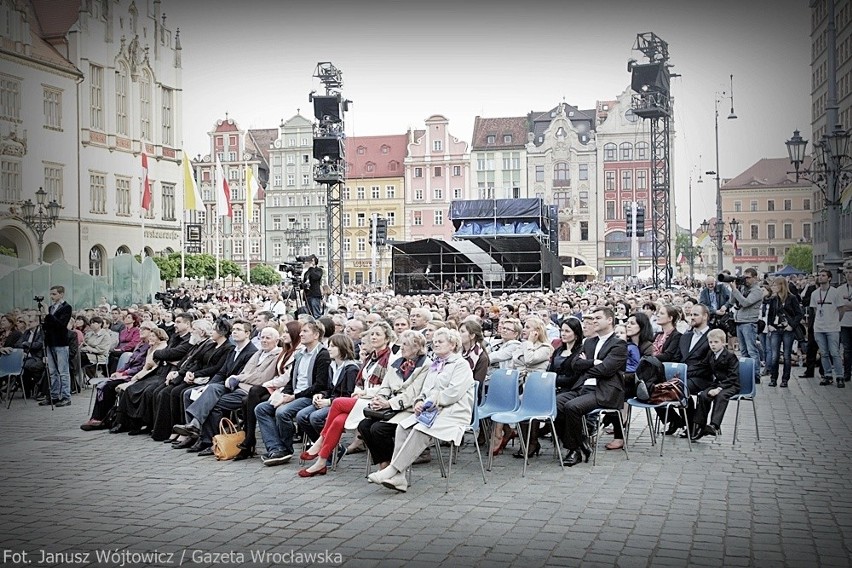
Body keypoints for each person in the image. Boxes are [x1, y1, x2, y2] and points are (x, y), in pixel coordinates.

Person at [367, 328, 475, 493]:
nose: (436, 344)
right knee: (402, 427)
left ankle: (392, 470)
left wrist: (428, 402)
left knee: (419, 429)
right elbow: (425, 389)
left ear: (453, 345)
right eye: (435, 341)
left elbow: (452, 394)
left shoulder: (461, 365)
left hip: (453, 414)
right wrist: (419, 401)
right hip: (431, 412)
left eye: (440, 341)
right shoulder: (436, 363)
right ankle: (400, 478)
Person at [172, 320, 259, 454]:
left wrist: (212, 386)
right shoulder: (234, 350)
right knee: (189, 393)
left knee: (212, 400)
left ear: (247, 333)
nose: (234, 332)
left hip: (239, 388)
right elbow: (221, 372)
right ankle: (195, 434)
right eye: (234, 329)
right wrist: (207, 386)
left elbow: (241, 377)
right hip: (224, 385)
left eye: (238, 329)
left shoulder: (251, 352)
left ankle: (205, 437)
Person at [558, 307, 627, 467]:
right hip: (582, 387)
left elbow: (606, 369)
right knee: (555, 404)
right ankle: (581, 441)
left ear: (609, 320)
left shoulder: (619, 344)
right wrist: (594, 362)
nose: (593, 321)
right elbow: (575, 364)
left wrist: (587, 366)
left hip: (604, 391)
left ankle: (574, 450)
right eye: (593, 318)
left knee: (572, 407)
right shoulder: (589, 342)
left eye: (597, 318)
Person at [354, 330, 431, 473]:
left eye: (405, 344)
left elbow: (413, 393)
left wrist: (389, 403)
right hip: (389, 408)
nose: (401, 347)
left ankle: (392, 467)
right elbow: (385, 386)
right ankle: (385, 463)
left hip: (408, 409)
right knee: (364, 426)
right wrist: (380, 398)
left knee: (378, 429)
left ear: (417, 347)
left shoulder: (426, 365)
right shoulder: (397, 363)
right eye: (401, 343)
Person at [256, 321, 330, 465]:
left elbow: (319, 385)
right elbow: (292, 381)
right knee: (261, 409)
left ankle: (286, 449)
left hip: (309, 396)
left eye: (305, 331)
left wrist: (293, 397)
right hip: (294, 394)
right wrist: (284, 395)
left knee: (282, 412)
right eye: (301, 331)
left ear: (316, 335)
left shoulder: (322, 354)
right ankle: (276, 447)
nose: (301, 334)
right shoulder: (300, 354)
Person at [80, 323, 161, 431]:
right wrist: (120, 371)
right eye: (140, 328)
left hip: (137, 375)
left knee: (109, 386)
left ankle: (101, 419)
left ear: (152, 332)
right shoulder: (140, 344)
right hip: (128, 372)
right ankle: (97, 418)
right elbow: (130, 361)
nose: (140, 330)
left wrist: (125, 373)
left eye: (144, 329)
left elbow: (143, 367)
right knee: (103, 385)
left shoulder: (151, 347)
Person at [295, 333, 360, 457]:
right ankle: (328, 446)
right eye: (329, 345)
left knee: (315, 417)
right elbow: (329, 389)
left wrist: (329, 401)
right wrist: (320, 395)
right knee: (301, 416)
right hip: (329, 401)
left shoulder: (351, 369)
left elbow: (349, 395)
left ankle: (328, 449)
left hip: (340, 405)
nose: (328, 348)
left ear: (342, 348)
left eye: (333, 346)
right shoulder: (332, 366)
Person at [691, 328, 740, 439]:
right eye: (711, 342)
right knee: (704, 395)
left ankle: (714, 425)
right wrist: (687, 369)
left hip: (731, 384)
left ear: (723, 343)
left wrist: (719, 388)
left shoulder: (730, 356)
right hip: (717, 383)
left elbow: (733, 376)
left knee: (721, 396)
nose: (713, 345)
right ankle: (700, 425)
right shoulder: (711, 354)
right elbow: (702, 365)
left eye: (716, 342)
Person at [722, 268, 763, 381]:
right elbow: (731, 301)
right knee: (743, 351)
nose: (746, 280)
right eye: (744, 277)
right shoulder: (743, 288)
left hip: (749, 322)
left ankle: (756, 375)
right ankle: (746, 374)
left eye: (748, 278)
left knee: (751, 350)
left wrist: (735, 290)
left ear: (755, 278)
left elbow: (745, 303)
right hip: (739, 321)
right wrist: (735, 288)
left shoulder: (757, 291)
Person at [766, 277, 804, 388]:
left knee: (787, 355)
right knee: (775, 355)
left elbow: (799, 314)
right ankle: (773, 378)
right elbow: (770, 314)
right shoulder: (774, 299)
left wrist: (792, 326)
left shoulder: (792, 298)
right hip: (776, 328)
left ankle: (785, 379)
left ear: (781, 285)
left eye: (775, 285)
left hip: (787, 329)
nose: (773, 287)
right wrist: (769, 325)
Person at [811, 268, 845, 387]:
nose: (821, 277)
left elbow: (841, 309)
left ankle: (840, 376)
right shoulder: (814, 294)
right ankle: (827, 375)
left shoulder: (835, 292)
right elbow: (815, 310)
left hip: (832, 328)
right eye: (819, 275)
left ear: (829, 278)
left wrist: (835, 320)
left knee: (835, 352)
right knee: (824, 353)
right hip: (819, 328)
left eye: (824, 275)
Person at [41, 285, 73, 407]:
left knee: (63, 371)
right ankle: (54, 396)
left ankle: (66, 396)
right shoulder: (51, 308)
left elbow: (61, 324)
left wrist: (47, 315)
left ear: (61, 294)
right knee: (52, 371)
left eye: (54, 294)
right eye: (51, 294)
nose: (52, 296)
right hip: (50, 342)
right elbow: (48, 325)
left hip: (60, 342)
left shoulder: (66, 308)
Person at [840, 266, 852, 385]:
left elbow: (844, 306)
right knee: (847, 349)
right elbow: (839, 305)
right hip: (844, 323)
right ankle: (847, 373)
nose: (848, 275)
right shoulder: (841, 289)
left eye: (850, 272)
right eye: (847, 273)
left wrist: (846, 305)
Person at [302, 254, 324, 319]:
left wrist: (311, 268)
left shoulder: (319, 270)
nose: (307, 263)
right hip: (307, 295)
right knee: (309, 313)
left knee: (316, 314)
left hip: (315, 295)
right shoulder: (307, 272)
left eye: (309, 262)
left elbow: (315, 277)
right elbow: (304, 283)